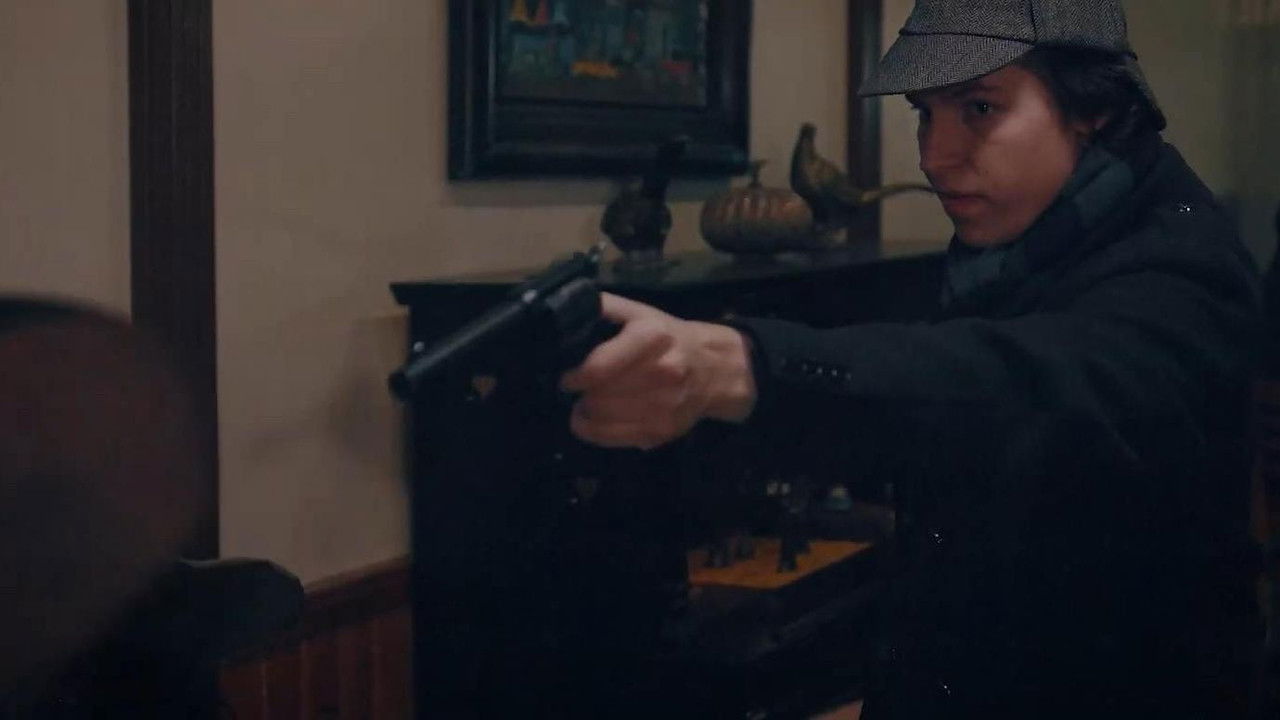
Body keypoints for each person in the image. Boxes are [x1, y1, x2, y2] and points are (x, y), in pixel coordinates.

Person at [560, 0, 1264, 717]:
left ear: (1094, 109)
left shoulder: (1184, 260)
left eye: (980, 108)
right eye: (925, 113)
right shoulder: (1028, 240)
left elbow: (1034, 381)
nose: (934, 156)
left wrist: (743, 366)